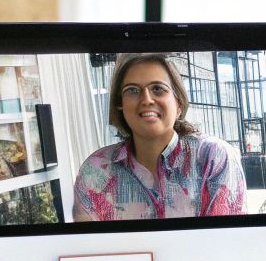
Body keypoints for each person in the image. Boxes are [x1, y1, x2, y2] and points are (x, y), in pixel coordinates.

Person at [71, 53, 247, 221]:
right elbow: (90, 247)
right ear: (121, 106)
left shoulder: (213, 157)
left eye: (158, 89)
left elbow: (227, 241)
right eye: (132, 90)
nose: (146, 99)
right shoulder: (95, 171)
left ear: (178, 104)